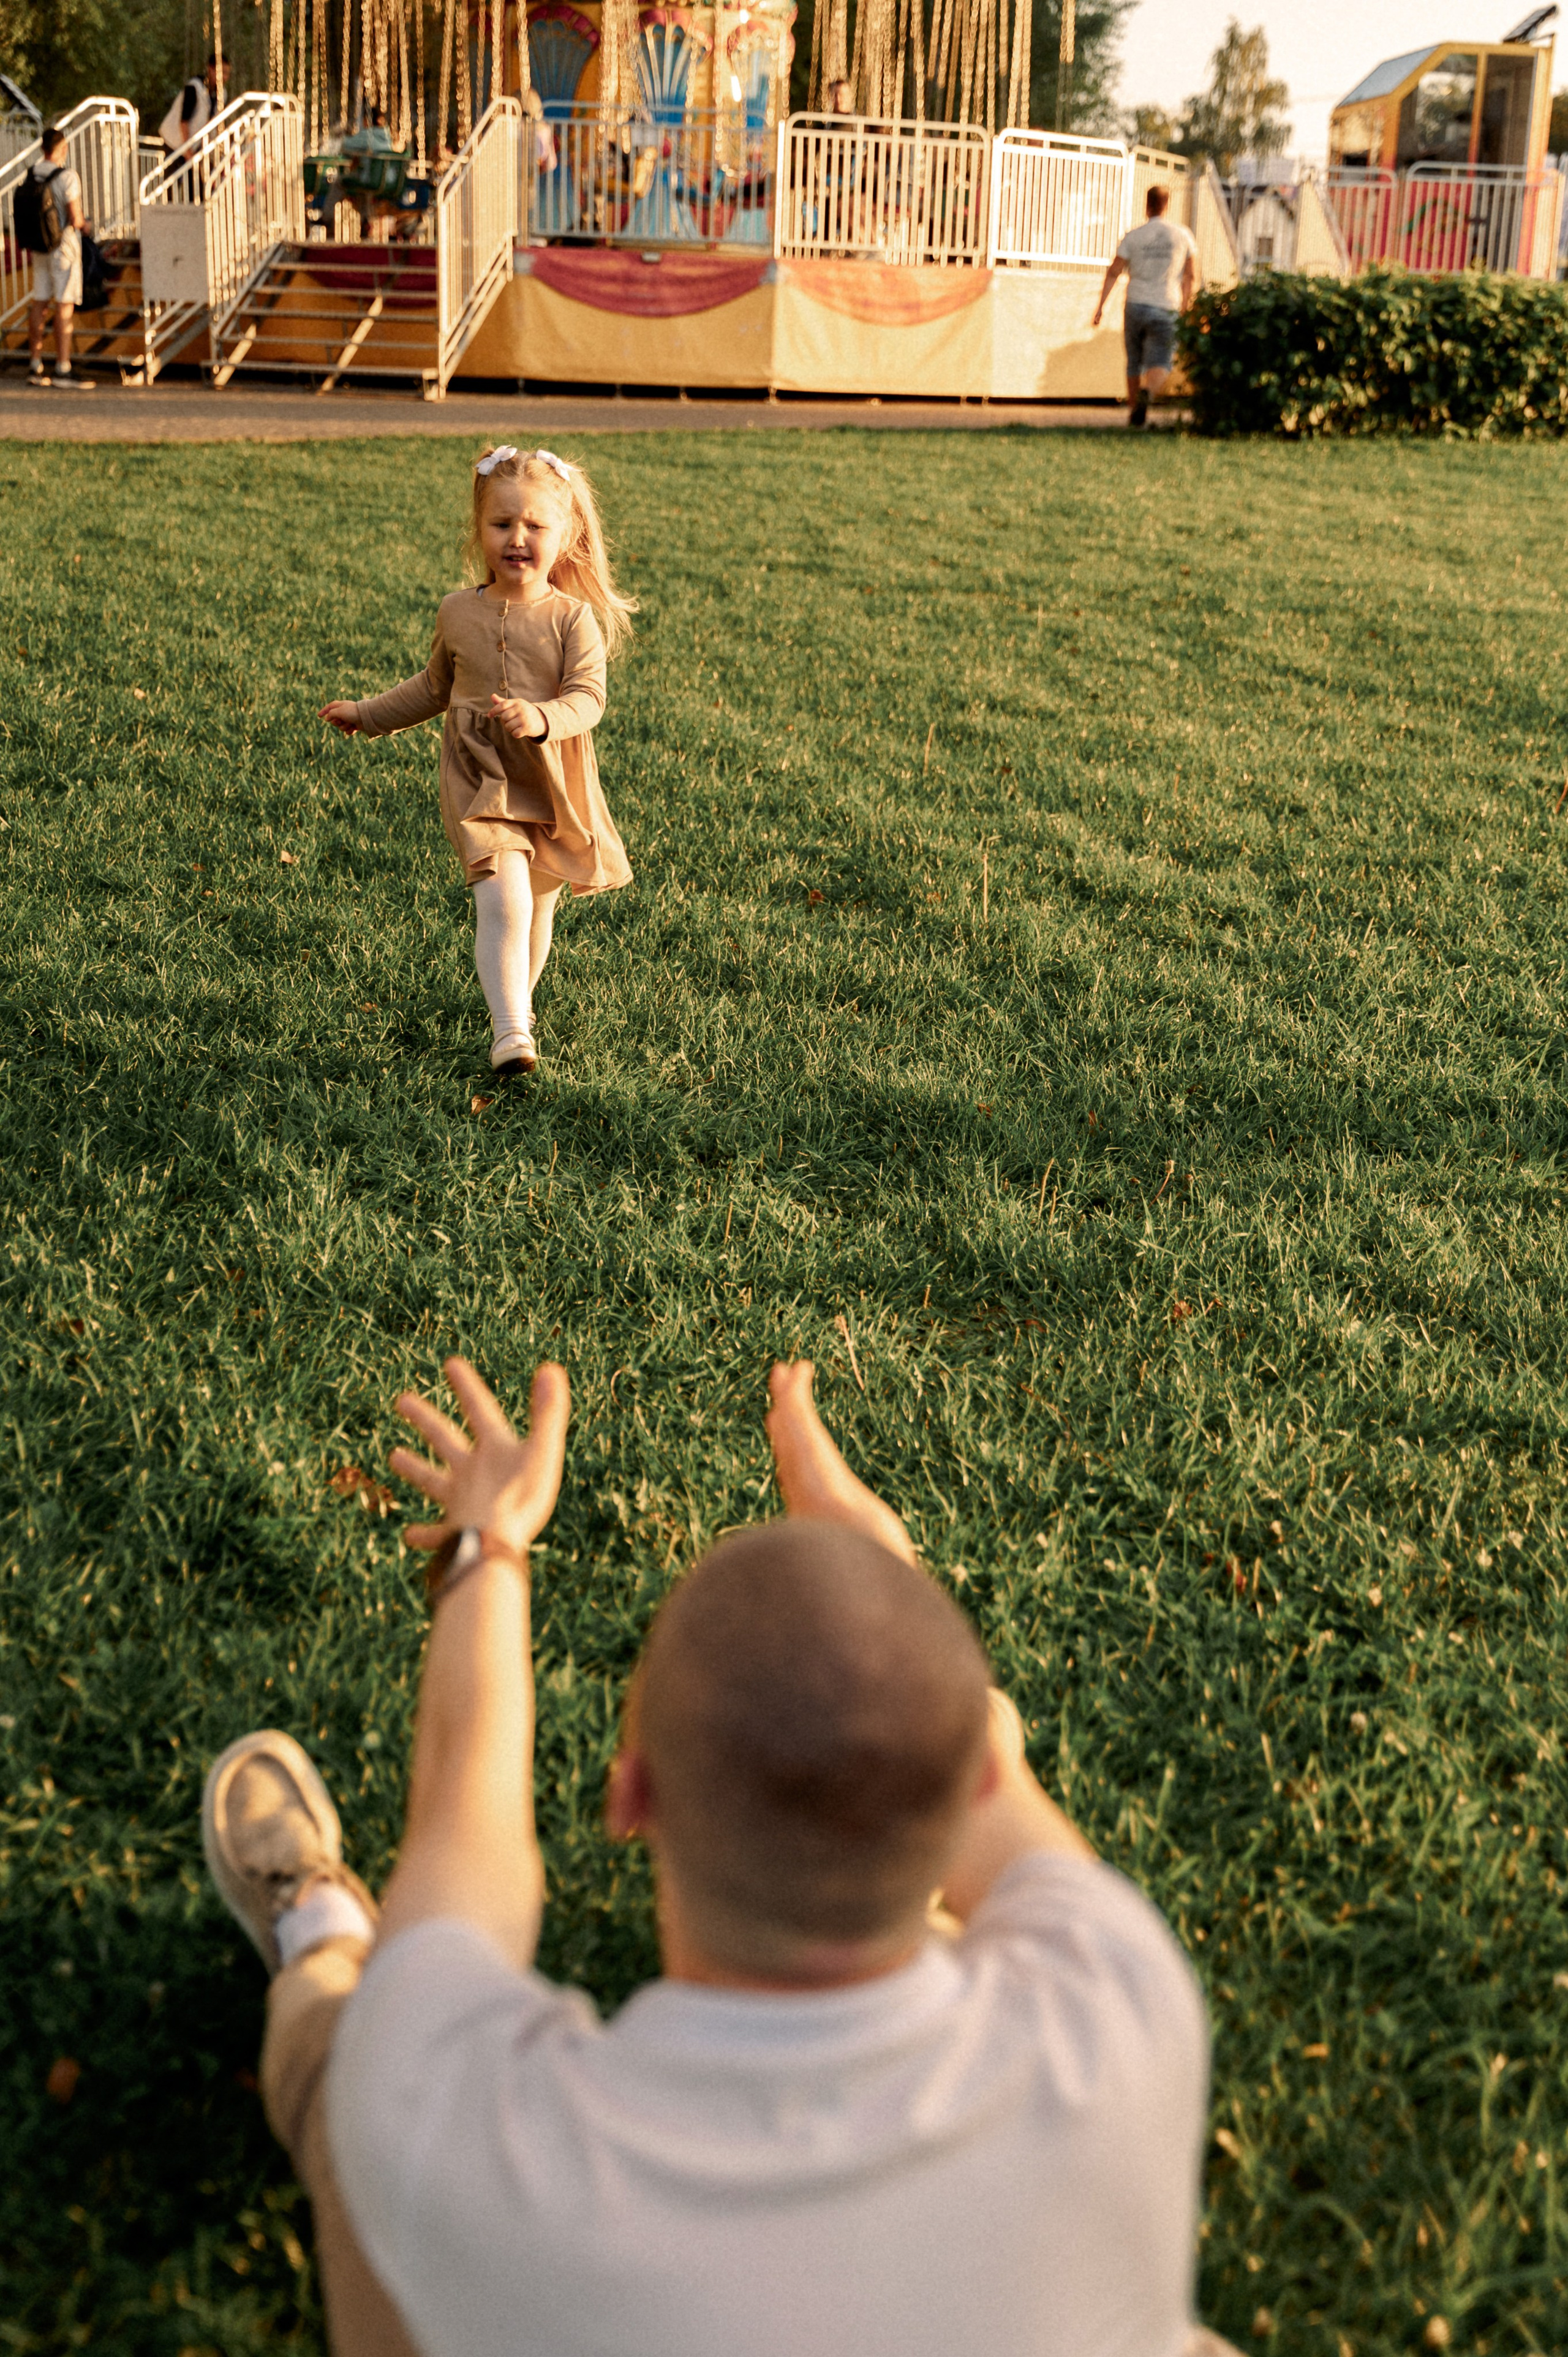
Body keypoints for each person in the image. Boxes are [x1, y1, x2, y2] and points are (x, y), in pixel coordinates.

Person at [203, 1354, 1242, 2357]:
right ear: (976, 1776)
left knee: (359, 2061)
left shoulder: (465, 2124)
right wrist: (881, 1586)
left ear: (629, 1794)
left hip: (456, 2196)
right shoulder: (1118, 2007)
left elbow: (464, 1835)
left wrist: (490, 1545)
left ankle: (319, 1935)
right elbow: (980, 1776)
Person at [318, 446, 634, 1079]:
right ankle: (509, 1029)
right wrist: (369, 713)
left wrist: (542, 716)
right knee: (504, 899)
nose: (517, 539)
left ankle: (521, 1007)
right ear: (479, 529)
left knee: (539, 905)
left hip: (551, 781)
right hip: (479, 775)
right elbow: (436, 687)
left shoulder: (573, 619)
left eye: (535, 526)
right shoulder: (457, 610)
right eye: (501, 524)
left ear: (565, 534)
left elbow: (588, 700)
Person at [1091, 184, 1199, 430]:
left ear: (1147, 205)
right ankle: (1147, 394)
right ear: (1167, 205)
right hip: (1167, 305)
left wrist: (1100, 308)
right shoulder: (1183, 235)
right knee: (1162, 360)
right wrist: (1186, 308)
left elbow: (1114, 272)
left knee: (1134, 361)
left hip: (1136, 304)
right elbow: (1191, 277)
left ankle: (1133, 416)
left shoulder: (1134, 236)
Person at [22, 127, 94, 393]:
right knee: (64, 306)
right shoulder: (68, 177)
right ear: (63, 148)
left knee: (39, 303)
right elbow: (75, 218)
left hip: (39, 247)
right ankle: (63, 367)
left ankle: (35, 365)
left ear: (43, 149)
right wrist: (87, 225)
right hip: (63, 248)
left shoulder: (33, 173)